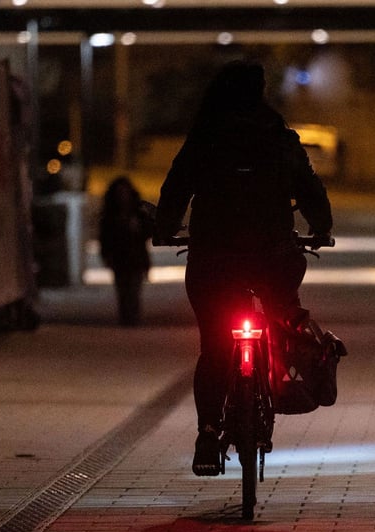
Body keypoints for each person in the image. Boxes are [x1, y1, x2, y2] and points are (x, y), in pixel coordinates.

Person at [154, 60, 333, 476]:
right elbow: (310, 190)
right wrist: (321, 229)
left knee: (214, 347)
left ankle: (207, 431)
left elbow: (176, 188)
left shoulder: (204, 138)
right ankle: (275, 379)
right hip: (274, 259)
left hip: (213, 263)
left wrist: (165, 230)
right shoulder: (279, 138)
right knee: (282, 319)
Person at [99, 176, 152, 326]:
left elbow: (147, 232)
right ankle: (126, 318)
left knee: (134, 290)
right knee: (123, 291)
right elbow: (105, 238)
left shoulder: (137, 212)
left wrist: (138, 228)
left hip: (136, 259)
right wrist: (106, 256)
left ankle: (133, 318)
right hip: (120, 259)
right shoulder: (110, 216)